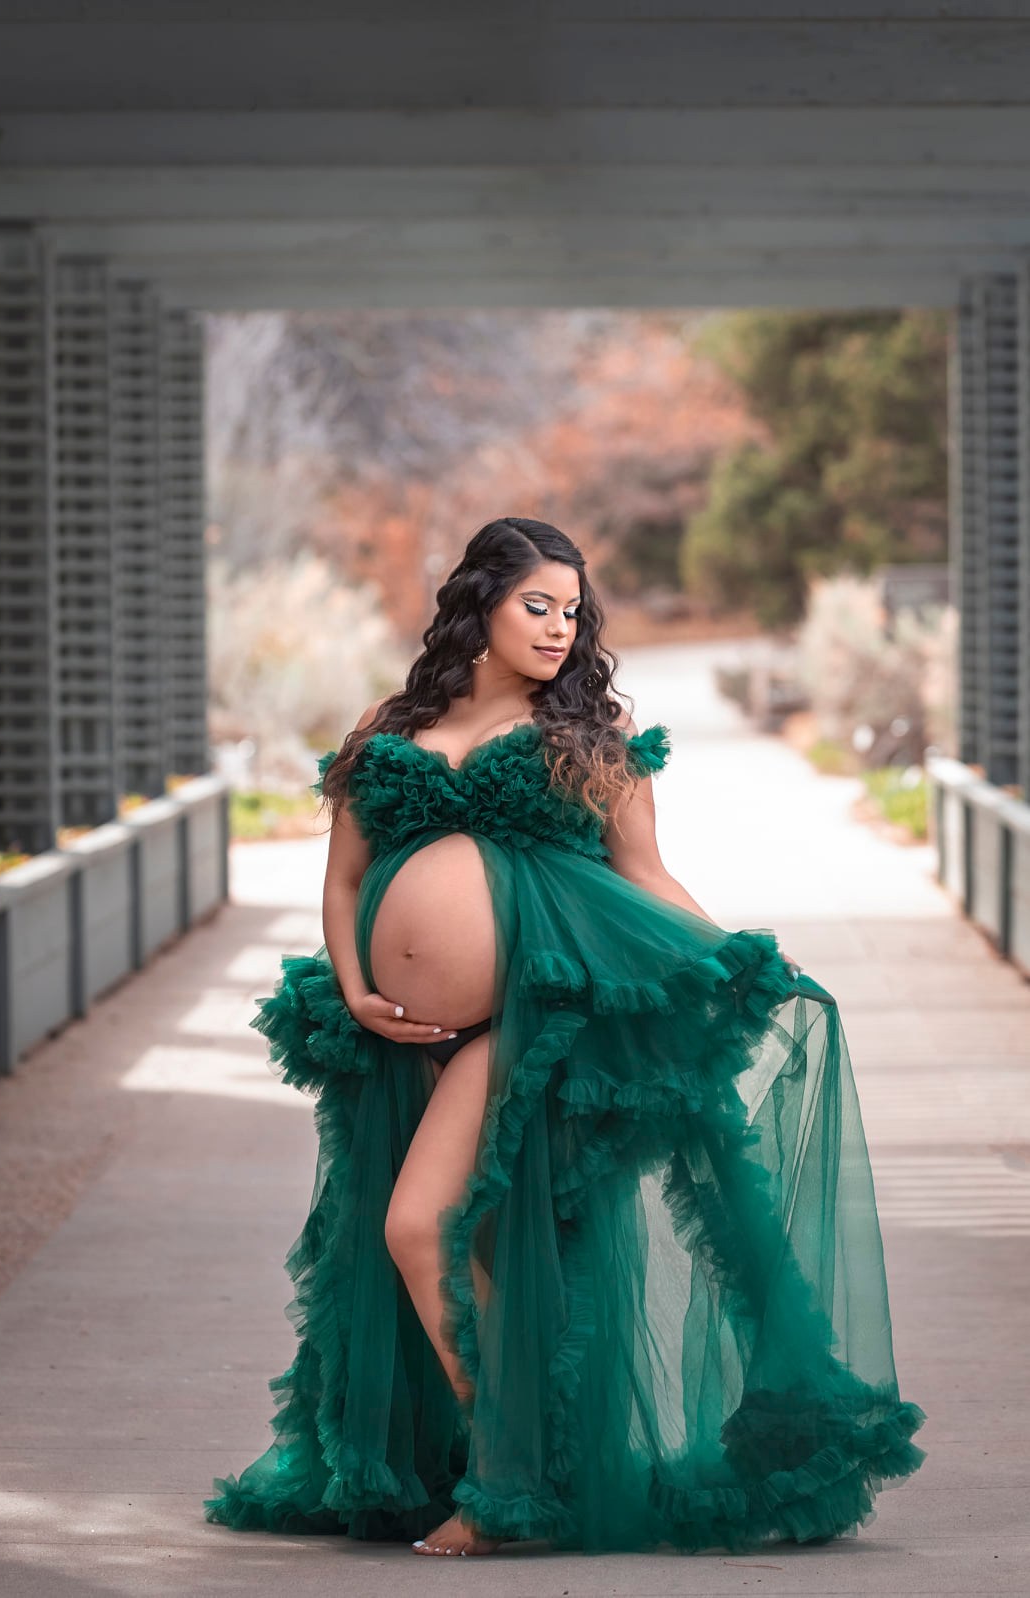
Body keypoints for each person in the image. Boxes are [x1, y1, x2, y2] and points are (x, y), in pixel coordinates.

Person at [204, 516, 926, 1559]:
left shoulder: (589, 737)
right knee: (489, 1256)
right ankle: (525, 1466)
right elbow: (348, 876)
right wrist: (359, 986)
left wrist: (731, 952)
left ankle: (510, 1484)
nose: (557, 626)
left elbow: (641, 875)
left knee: (422, 1229)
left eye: (571, 610)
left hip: (534, 1020)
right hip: (398, 1033)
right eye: (535, 604)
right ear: (479, 607)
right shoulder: (390, 725)